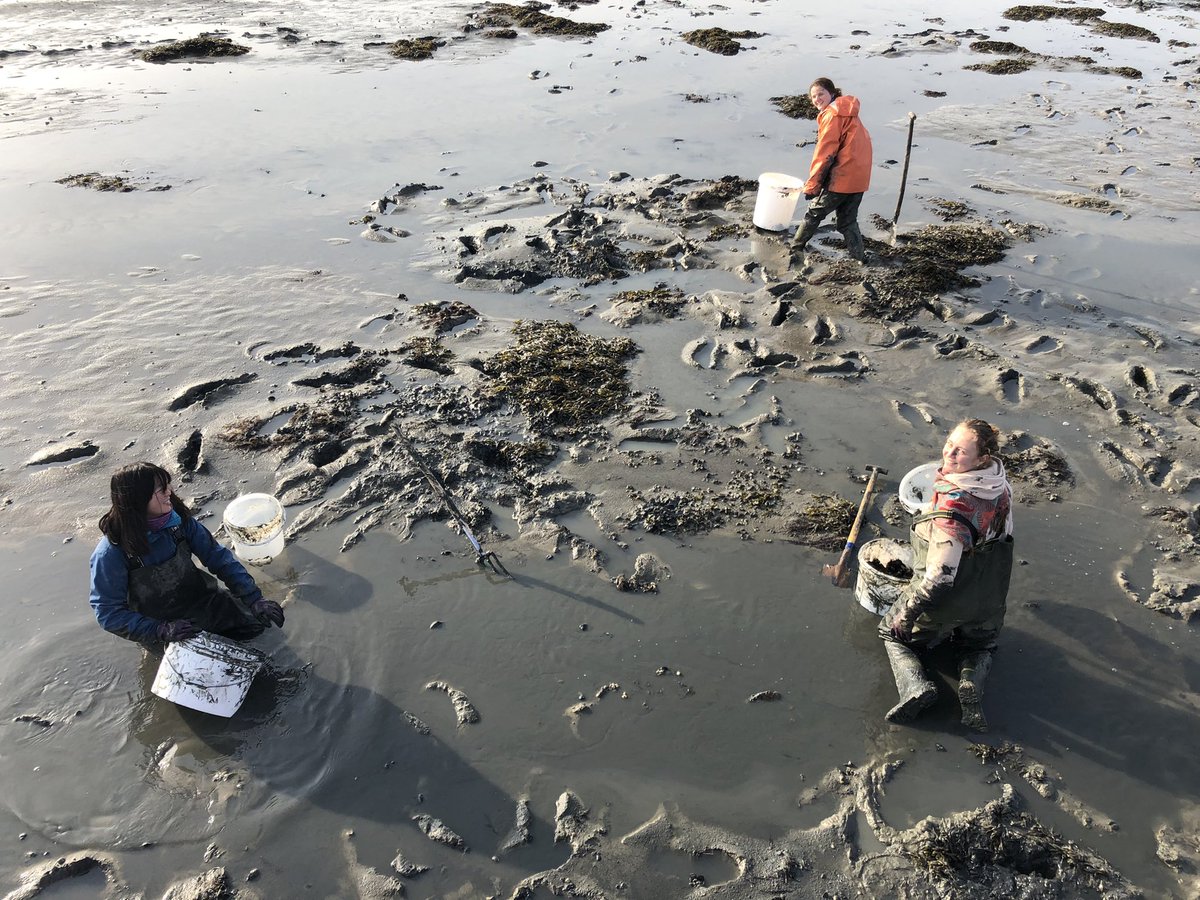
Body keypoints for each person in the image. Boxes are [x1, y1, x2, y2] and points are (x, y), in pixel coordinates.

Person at [879, 420, 1014, 732]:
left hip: (949, 599)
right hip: (989, 598)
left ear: (981, 458)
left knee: (890, 632)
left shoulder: (952, 511)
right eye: (950, 443)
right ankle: (971, 682)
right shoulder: (999, 484)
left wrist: (905, 617)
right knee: (980, 644)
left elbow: (940, 579)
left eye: (960, 451)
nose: (949, 453)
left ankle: (916, 688)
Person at [89, 462, 284, 646]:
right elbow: (108, 613)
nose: (169, 492)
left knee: (263, 635)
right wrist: (160, 630)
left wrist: (254, 599)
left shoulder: (179, 522)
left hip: (208, 603)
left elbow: (218, 558)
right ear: (137, 499)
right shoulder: (110, 554)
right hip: (163, 626)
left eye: (168, 485)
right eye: (161, 489)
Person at [792, 77, 873, 264]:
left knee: (814, 213)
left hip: (843, 175)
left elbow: (825, 153)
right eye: (813, 97)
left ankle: (795, 248)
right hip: (860, 175)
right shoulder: (848, 110)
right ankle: (860, 259)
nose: (817, 99)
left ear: (832, 92)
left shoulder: (832, 115)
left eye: (821, 94)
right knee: (847, 221)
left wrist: (813, 185)